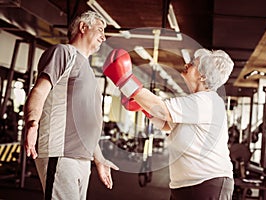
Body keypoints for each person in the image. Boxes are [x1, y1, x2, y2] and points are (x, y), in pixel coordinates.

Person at [103, 48, 234, 199]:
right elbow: (167, 124)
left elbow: (163, 111)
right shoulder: (196, 102)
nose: (187, 64)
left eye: (193, 64)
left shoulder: (207, 101)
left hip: (207, 184)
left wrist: (126, 81)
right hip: (185, 185)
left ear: (203, 76)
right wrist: (143, 108)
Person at [24, 10, 119, 200]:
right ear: (83, 27)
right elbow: (39, 90)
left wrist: (98, 159)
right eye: (100, 29)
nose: (104, 36)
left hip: (82, 158)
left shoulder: (89, 71)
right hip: (60, 152)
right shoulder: (64, 53)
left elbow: (85, 124)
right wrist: (32, 122)